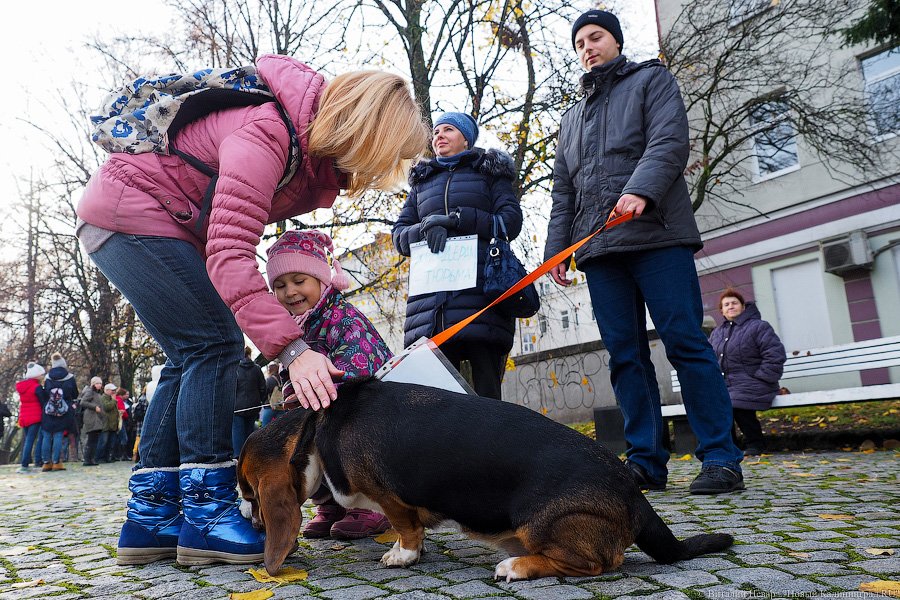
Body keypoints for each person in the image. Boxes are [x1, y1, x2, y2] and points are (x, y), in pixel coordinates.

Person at [76, 54, 427, 566]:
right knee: (214, 346)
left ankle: (150, 519)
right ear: (364, 132)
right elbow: (230, 253)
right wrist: (293, 349)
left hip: (135, 219)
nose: (379, 172)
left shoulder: (299, 148)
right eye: (386, 155)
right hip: (134, 217)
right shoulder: (267, 134)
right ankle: (207, 515)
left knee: (186, 356)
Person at [544, 10, 745, 495]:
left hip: (657, 235)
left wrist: (641, 190)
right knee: (624, 357)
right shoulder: (571, 120)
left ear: (615, 41)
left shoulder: (652, 80)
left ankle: (720, 457)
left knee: (685, 343)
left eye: (596, 37)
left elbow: (669, 142)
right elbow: (563, 194)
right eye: (579, 43)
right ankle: (645, 462)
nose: (587, 47)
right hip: (600, 250)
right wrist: (556, 254)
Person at [267, 229, 393, 540]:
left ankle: (372, 505)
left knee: (343, 440)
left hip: (364, 415)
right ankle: (332, 505)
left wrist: (321, 395)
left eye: (300, 281)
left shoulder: (344, 319)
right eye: (280, 286)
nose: (290, 292)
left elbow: (360, 374)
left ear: (322, 281)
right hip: (320, 411)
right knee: (303, 446)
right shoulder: (294, 328)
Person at [392, 112, 522, 400]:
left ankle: (493, 446)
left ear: (466, 138)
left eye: (448, 129)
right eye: (436, 131)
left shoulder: (489, 174)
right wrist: (426, 228)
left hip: (481, 301)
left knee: (488, 398)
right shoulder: (421, 184)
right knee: (439, 402)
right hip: (431, 311)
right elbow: (399, 236)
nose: (438, 135)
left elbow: (510, 222)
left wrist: (457, 220)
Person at [709, 289, 786, 456]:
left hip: (756, 382)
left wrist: (764, 377)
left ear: (743, 307)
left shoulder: (758, 327)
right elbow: (709, 359)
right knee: (719, 404)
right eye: (726, 304)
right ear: (721, 311)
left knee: (736, 403)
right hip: (728, 385)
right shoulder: (717, 333)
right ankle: (729, 447)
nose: (731, 306)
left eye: (734, 303)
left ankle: (756, 444)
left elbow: (775, 354)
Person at [41, 353, 79, 471]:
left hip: (49, 410)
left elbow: (45, 393)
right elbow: (75, 394)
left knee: (46, 435)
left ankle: (46, 462)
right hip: (64, 410)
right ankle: (57, 462)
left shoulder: (47, 378)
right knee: (58, 435)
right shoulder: (70, 377)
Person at [232, 347, 266, 457]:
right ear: (250, 354)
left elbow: (232, 388)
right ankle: (249, 457)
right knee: (250, 432)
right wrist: (260, 400)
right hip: (253, 406)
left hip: (237, 407)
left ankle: (238, 459)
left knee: (237, 434)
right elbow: (263, 387)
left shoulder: (235, 368)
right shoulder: (257, 369)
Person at [15, 362, 48, 473]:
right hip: (35, 416)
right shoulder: (37, 387)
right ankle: (25, 464)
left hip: (24, 416)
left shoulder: (22, 387)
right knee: (32, 440)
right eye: (41, 374)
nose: (43, 376)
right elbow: (43, 401)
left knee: (27, 440)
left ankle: (24, 463)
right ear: (37, 375)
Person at [79, 377, 106, 466]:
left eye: (100, 383)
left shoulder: (97, 393)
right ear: (93, 384)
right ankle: (87, 459)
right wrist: (94, 407)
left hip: (97, 418)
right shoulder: (90, 391)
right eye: (97, 383)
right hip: (91, 417)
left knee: (95, 439)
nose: (99, 385)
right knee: (91, 439)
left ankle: (92, 458)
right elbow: (83, 402)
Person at [98, 383, 121, 463]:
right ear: (107, 390)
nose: (114, 392)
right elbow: (106, 407)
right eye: (112, 390)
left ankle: (108, 457)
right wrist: (114, 400)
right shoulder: (103, 398)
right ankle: (100, 457)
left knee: (111, 443)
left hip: (112, 424)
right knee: (104, 442)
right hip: (106, 424)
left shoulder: (111, 398)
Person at [261, 363, 281, 427]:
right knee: (281, 427)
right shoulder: (282, 379)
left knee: (265, 428)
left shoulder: (269, 380)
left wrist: (264, 402)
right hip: (281, 406)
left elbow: (264, 392)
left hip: (269, 407)